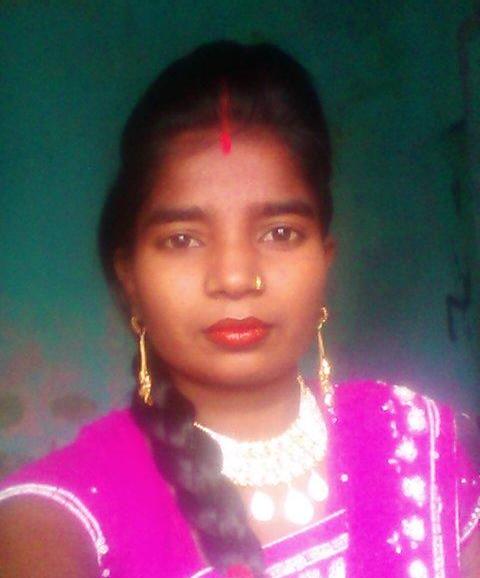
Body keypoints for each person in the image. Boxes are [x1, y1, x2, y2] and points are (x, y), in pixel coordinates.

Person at [0, 40, 478, 578]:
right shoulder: (61, 513)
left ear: (324, 260)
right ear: (130, 277)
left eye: (280, 232)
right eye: (182, 239)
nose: (235, 278)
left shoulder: (412, 438)